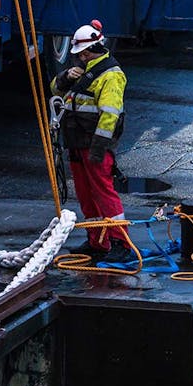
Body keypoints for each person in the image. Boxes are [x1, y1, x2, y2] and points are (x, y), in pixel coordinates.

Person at [51, 20, 132, 262]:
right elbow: (55, 89)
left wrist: (99, 147)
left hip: (94, 144)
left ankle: (121, 243)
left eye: (80, 55)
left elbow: (110, 115)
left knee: (104, 192)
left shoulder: (110, 75)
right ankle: (97, 242)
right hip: (76, 141)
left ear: (87, 52)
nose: (78, 59)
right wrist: (65, 77)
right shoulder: (81, 71)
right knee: (86, 194)